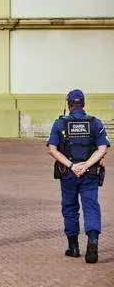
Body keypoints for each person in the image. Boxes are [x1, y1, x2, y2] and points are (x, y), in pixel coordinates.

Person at [47, 89, 109, 263]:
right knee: (91, 207)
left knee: (70, 208)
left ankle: (73, 247)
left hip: (68, 173)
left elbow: (52, 149)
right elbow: (102, 148)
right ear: (84, 104)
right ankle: (93, 242)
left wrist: (72, 166)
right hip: (89, 173)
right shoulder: (95, 123)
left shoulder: (59, 124)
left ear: (68, 105)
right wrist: (86, 165)